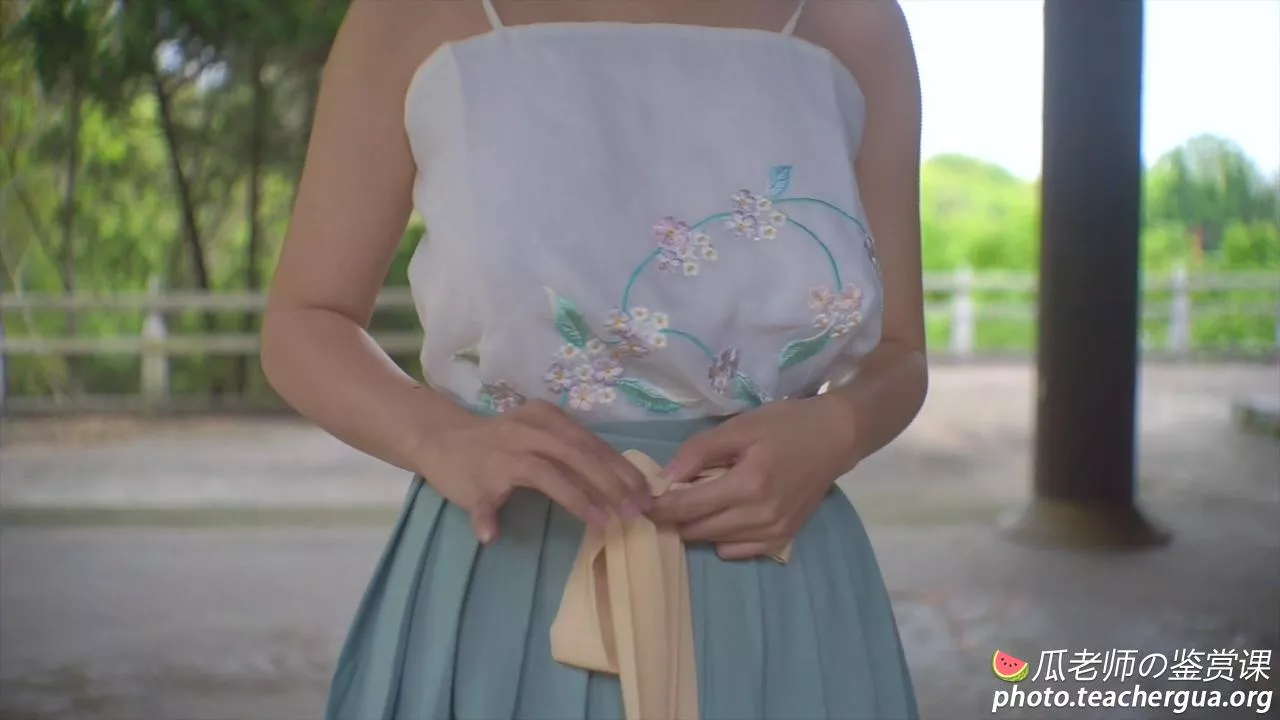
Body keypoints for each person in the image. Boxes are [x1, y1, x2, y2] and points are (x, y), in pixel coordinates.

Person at [262, 0, 926, 717]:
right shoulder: (410, 14)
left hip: (774, 560)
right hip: (506, 569)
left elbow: (902, 353)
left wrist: (837, 430)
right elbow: (305, 321)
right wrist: (442, 439)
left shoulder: (853, 21)